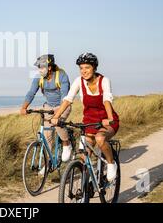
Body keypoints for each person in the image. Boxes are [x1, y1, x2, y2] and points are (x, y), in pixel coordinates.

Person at [51, 52, 120, 181]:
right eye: (81, 68)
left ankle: (111, 163)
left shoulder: (104, 81)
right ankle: (85, 189)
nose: (83, 71)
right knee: (83, 157)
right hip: (89, 122)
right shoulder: (79, 81)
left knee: (100, 139)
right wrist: (57, 116)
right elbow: (68, 99)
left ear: (94, 68)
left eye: (87, 67)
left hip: (107, 121)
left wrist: (109, 118)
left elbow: (107, 100)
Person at [20, 54, 72, 164]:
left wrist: (59, 111)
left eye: (42, 67)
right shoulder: (39, 78)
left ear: (49, 67)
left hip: (63, 105)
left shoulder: (61, 75)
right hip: (48, 106)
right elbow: (31, 92)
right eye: (39, 67)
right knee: (47, 136)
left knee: (57, 124)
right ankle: (48, 164)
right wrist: (24, 107)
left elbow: (65, 96)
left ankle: (66, 143)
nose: (40, 70)